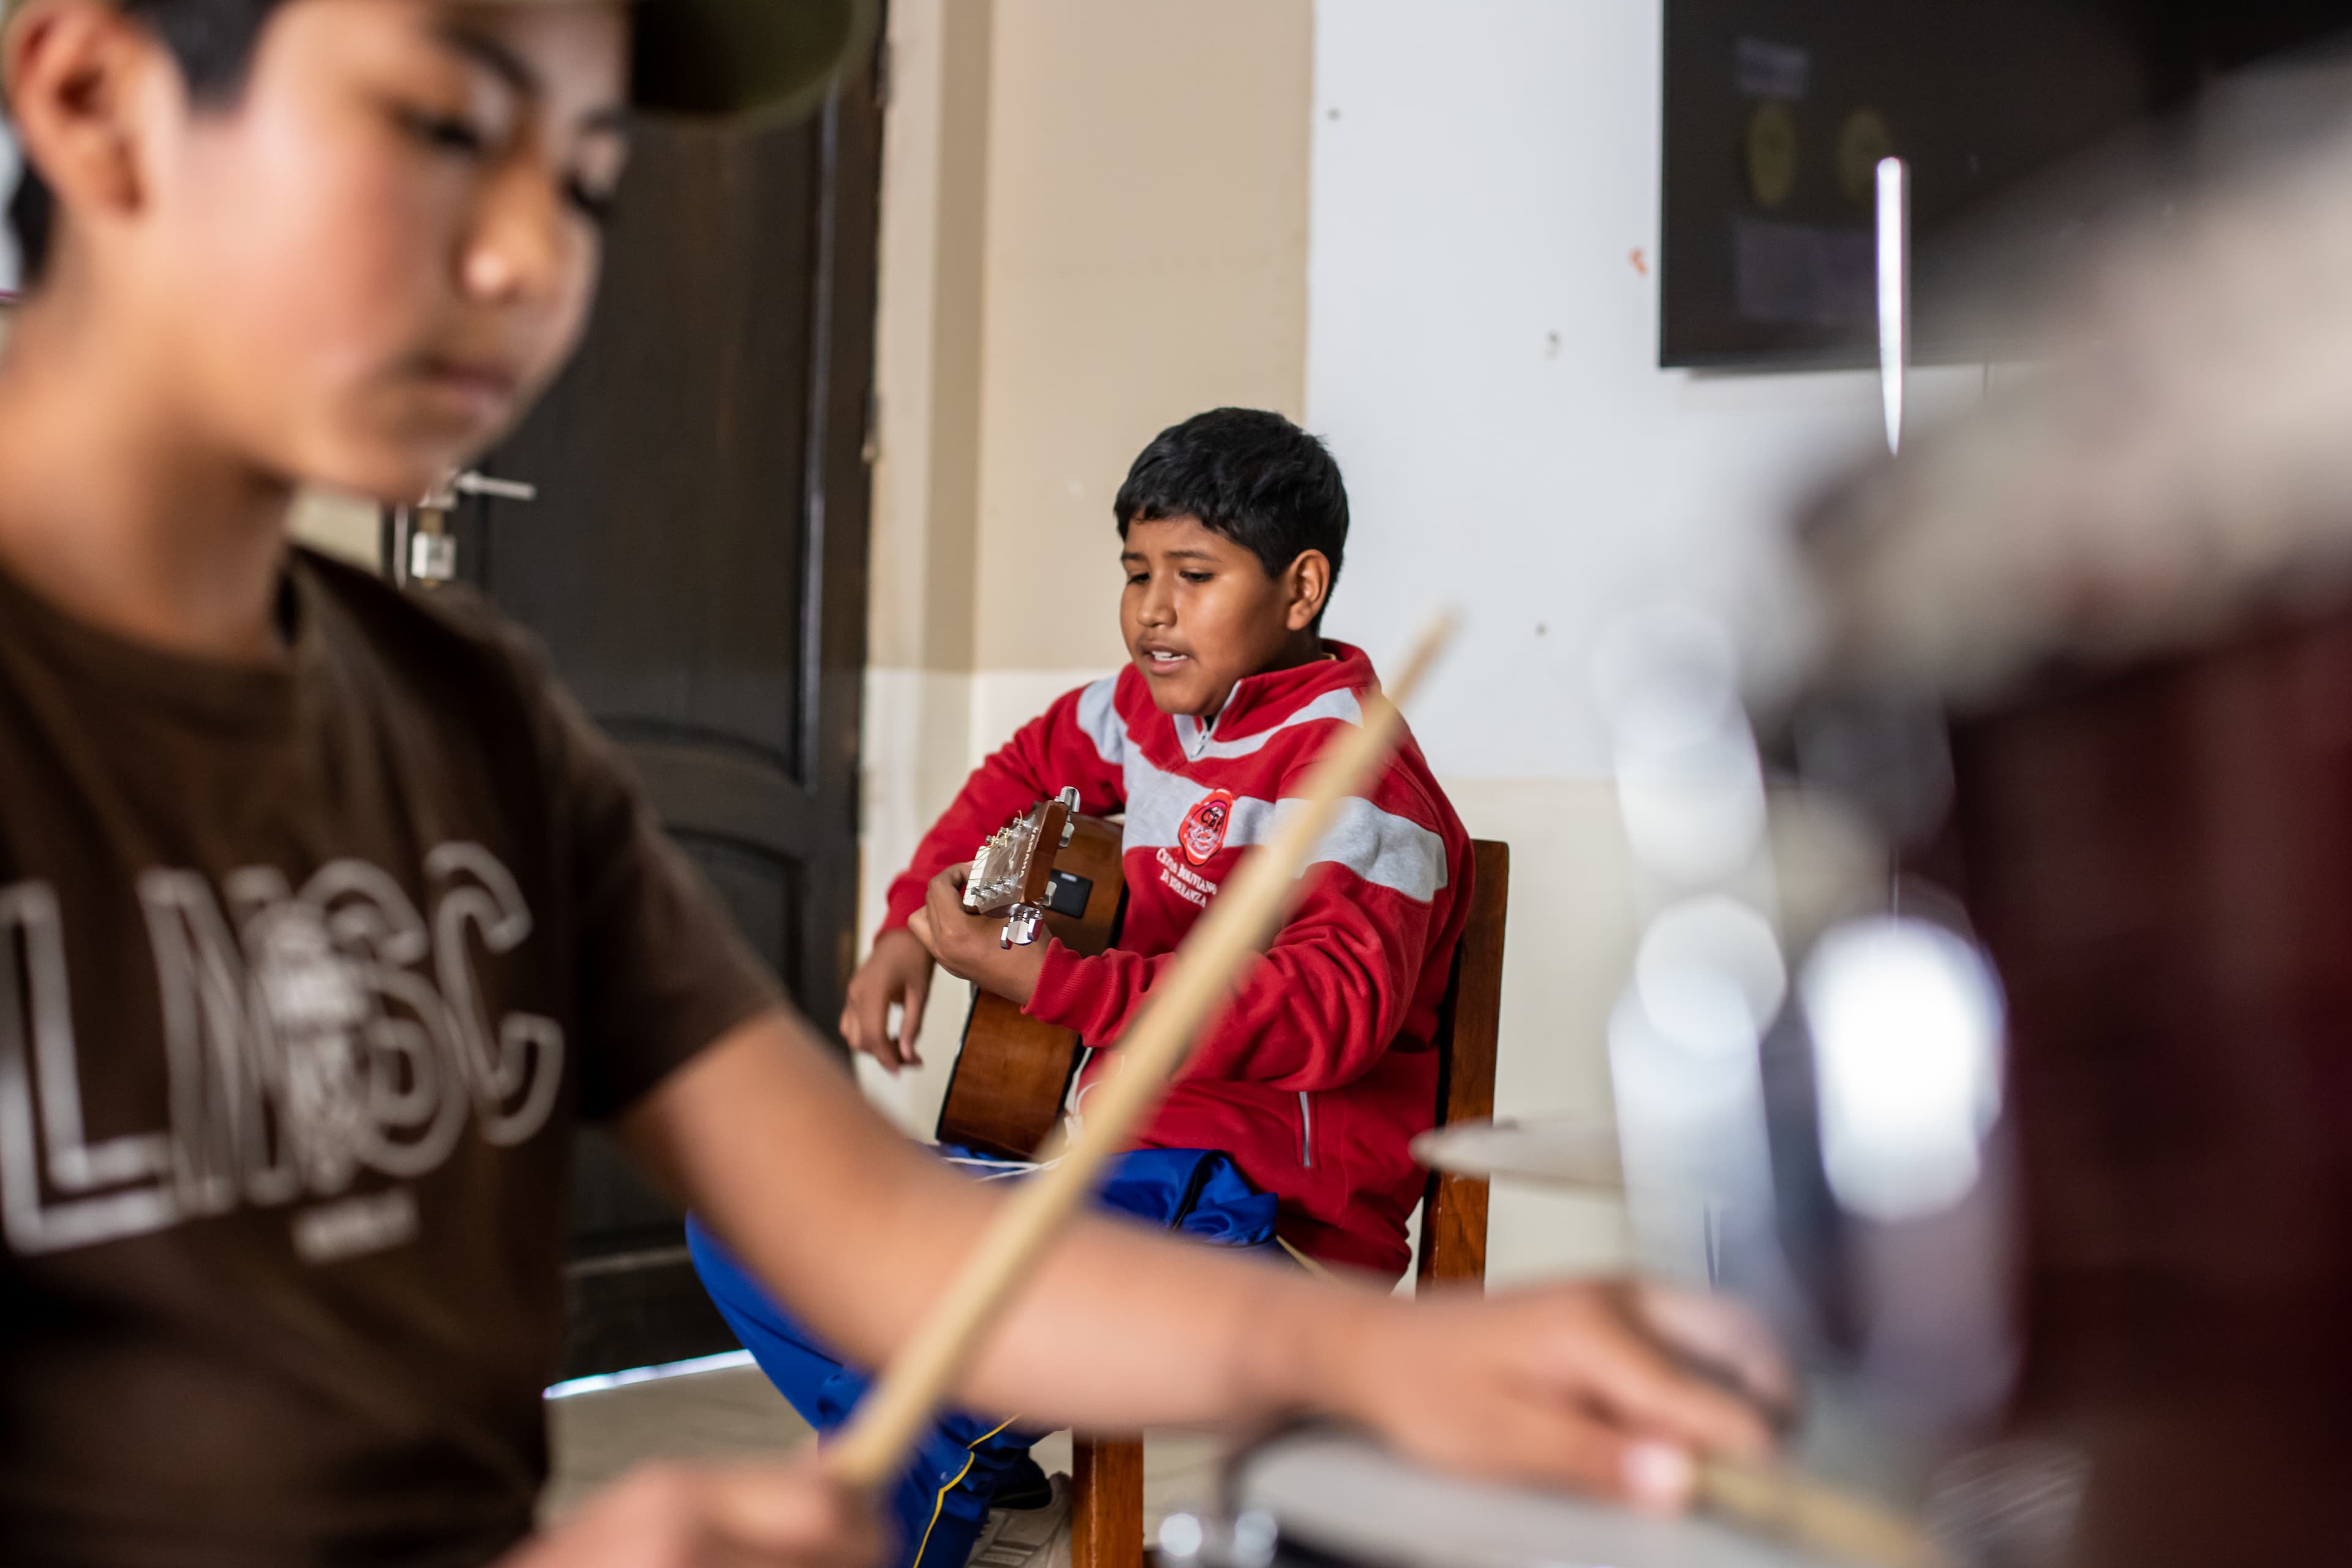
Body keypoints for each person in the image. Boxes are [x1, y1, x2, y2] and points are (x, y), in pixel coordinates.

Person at [0, 2, 1789, 1565]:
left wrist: (1388, 1357)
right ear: (90, 97)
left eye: (597, 173)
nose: (544, 254)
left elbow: (850, 1221)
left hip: (1239, 1189)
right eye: (451, 123)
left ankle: (945, 1491)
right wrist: (926, 930)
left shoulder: (470, 721)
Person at [695, 407, 1476, 1568]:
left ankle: (938, 1484)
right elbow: (1024, 767)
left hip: (1263, 1205)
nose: (1153, 609)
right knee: (753, 1211)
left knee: (936, 1364)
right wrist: (915, 923)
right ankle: (999, 1494)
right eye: (1136, 572)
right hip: (1114, 1166)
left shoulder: (1357, 781)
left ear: (1301, 588)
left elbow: (1329, 1018)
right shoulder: (1146, 713)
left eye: (1194, 575)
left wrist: (1059, 982)